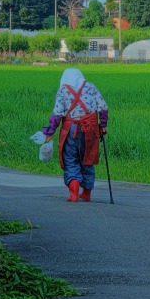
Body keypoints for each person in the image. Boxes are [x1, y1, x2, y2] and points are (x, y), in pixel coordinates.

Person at [43, 68, 108, 202]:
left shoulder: (63, 90)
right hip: (90, 128)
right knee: (88, 159)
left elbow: (58, 113)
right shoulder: (91, 86)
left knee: (70, 159)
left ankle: (73, 194)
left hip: (71, 129)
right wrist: (103, 125)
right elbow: (103, 107)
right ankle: (86, 193)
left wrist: (50, 131)